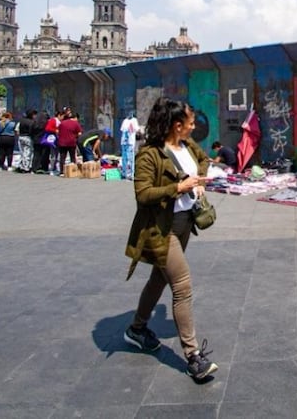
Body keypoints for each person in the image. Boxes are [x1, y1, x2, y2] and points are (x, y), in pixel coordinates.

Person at [123, 97, 218, 381]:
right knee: (182, 286)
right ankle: (193, 357)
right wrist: (178, 187)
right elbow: (143, 194)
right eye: (189, 123)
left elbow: (203, 160)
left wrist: (198, 181)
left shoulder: (188, 146)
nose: (193, 127)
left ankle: (137, 328)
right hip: (159, 229)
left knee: (159, 278)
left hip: (184, 224)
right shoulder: (149, 154)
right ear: (177, 126)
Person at [57, 110, 82, 174]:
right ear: (75, 118)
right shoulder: (76, 124)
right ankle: (72, 171)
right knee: (72, 157)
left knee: (62, 157)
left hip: (62, 143)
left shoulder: (62, 123)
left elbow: (57, 131)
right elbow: (79, 134)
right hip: (71, 142)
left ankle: (61, 172)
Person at [118, 112, 140, 180]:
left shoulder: (134, 120)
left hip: (130, 142)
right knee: (124, 158)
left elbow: (136, 129)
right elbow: (122, 130)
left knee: (131, 158)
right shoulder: (125, 120)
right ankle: (124, 173)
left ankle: (131, 174)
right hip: (124, 142)